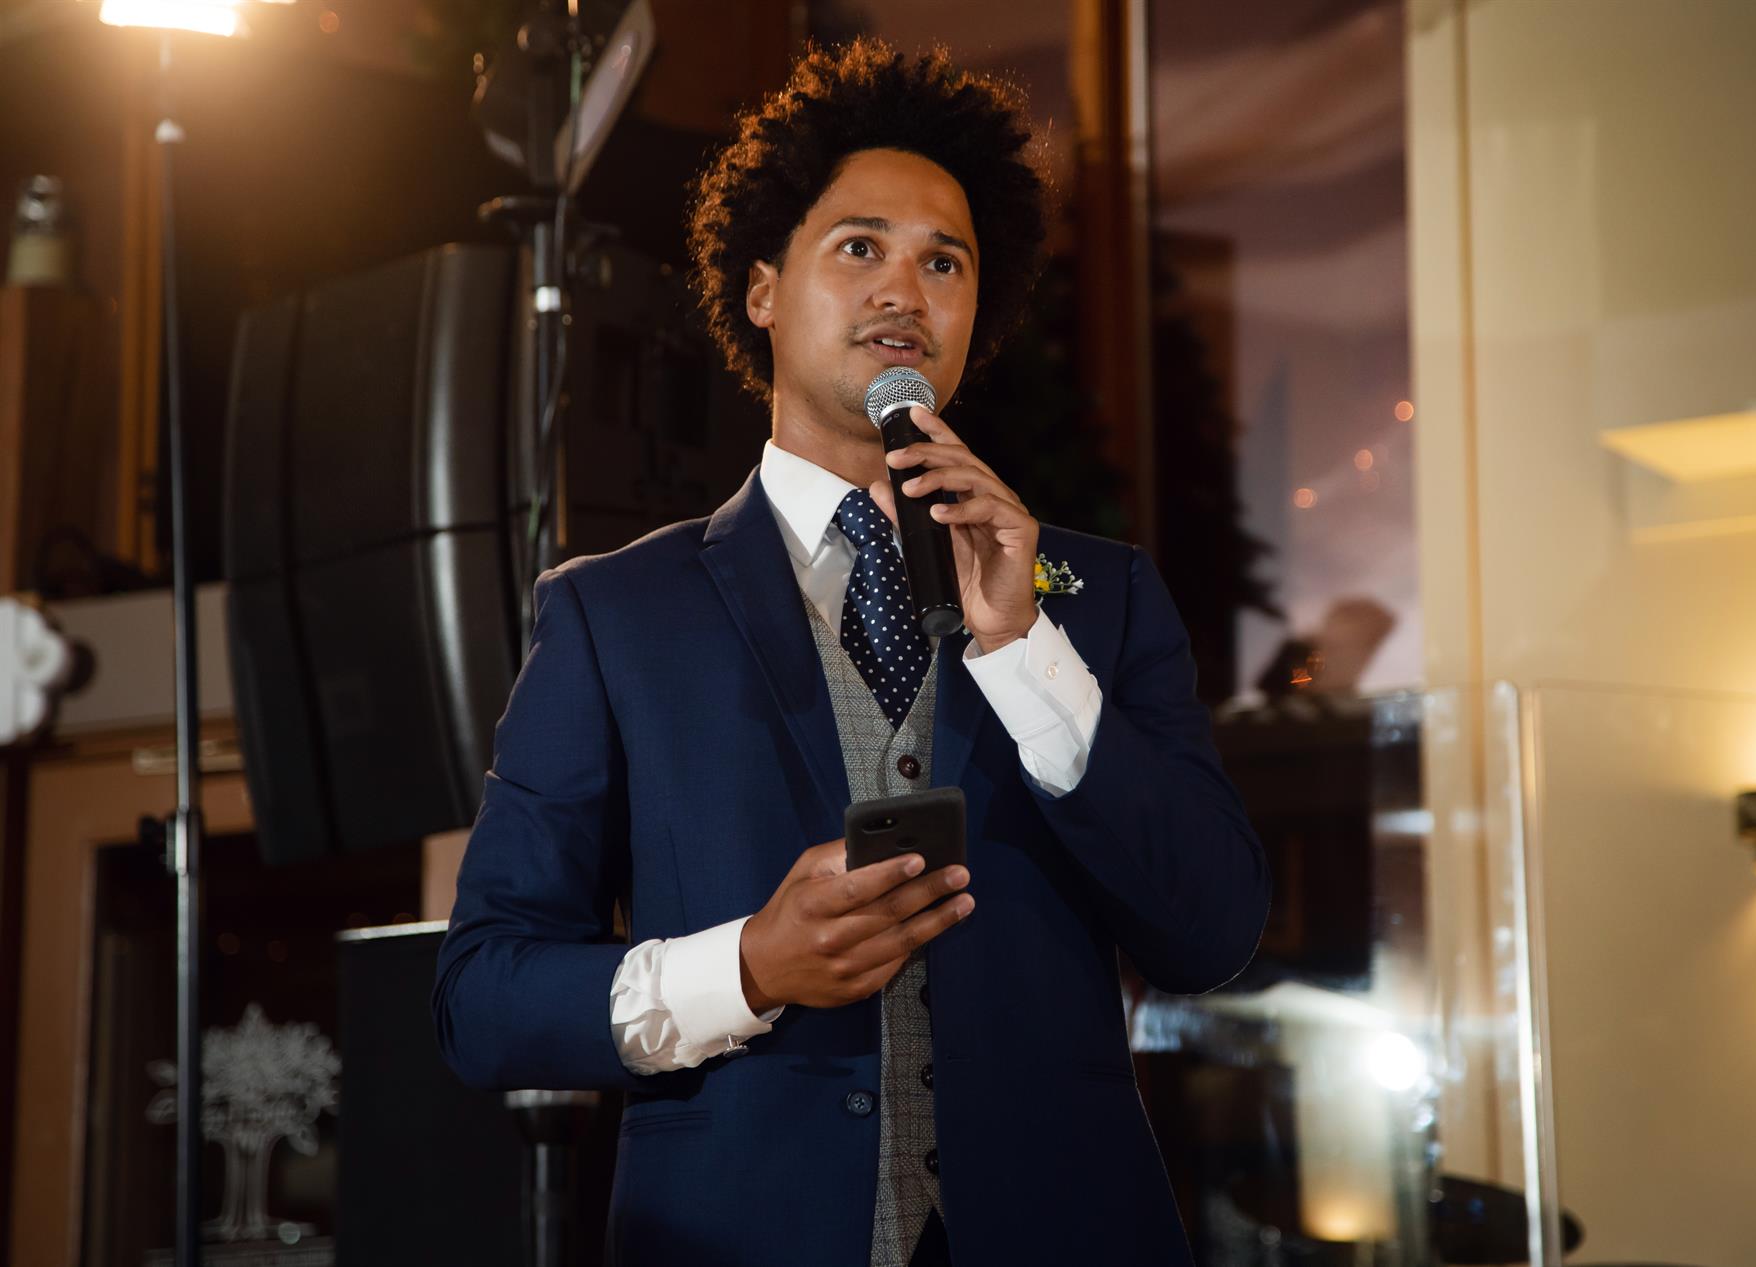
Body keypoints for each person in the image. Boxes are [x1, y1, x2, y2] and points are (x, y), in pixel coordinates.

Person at [433, 37, 1270, 1267]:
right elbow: (484, 996)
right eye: (859, 247)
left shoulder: (1100, 597)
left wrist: (1023, 645)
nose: (903, 292)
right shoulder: (615, 615)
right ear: (762, 289)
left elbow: (1212, 931)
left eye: (944, 261)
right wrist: (747, 967)